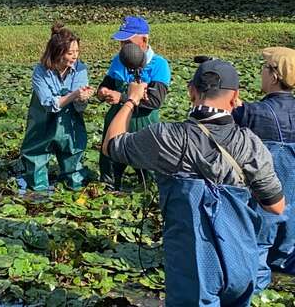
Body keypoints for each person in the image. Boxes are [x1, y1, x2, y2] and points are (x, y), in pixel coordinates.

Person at [102, 58, 285, 306]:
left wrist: (131, 100)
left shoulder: (166, 137)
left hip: (193, 266)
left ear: (191, 92)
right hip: (241, 259)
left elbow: (112, 144)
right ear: (234, 98)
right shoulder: (251, 144)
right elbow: (276, 206)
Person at [233, 47, 295, 292]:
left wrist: (236, 107)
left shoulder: (252, 112)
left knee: (258, 244)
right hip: (293, 201)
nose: (261, 72)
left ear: (274, 75)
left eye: (264, 67)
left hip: (266, 199)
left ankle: (256, 291)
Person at [97, 16, 171, 189]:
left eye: (128, 43)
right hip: (116, 122)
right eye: (122, 44)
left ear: (144, 40)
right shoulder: (118, 60)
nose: (124, 48)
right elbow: (107, 83)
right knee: (109, 170)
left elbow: (154, 101)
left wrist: (122, 98)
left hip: (144, 126)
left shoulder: (159, 65)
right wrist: (103, 92)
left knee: (147, 178)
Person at [20, 23, 94, 191]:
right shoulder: (40, 71)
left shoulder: (80, 69)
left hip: (70, 122)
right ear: (57, 53)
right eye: (70, 53)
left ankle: (74, 187)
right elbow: (49, 103)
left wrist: (82, 98)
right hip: (43, 121)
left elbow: (80, 104)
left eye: (77, 52)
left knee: (73, 156)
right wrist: (74, 94)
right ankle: (38, 193)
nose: (75, 56)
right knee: (36, 157)